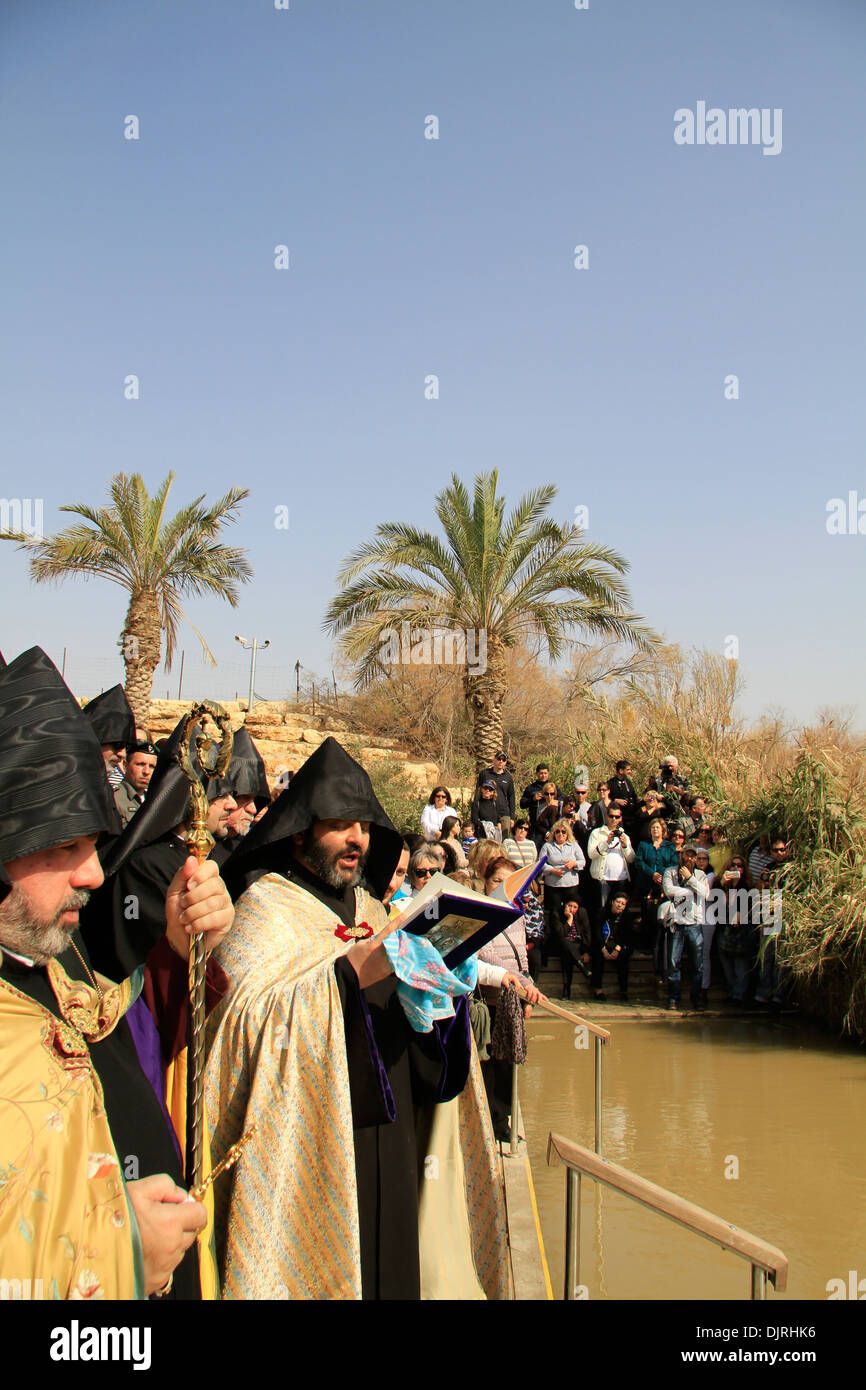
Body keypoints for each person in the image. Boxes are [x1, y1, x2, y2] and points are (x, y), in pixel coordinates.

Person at [209, 738, 511, 1301]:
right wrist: (347, 976)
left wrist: (443, 994)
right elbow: (241, 1027)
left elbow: (422, 1048)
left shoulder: (373, 912)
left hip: (392, 1138)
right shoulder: (264, 910)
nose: (358, 840)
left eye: (365, 827)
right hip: (315, 1144)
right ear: (300, 832)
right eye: (342, 826)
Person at [0, 647, 233, 1299]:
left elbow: (119, 1045)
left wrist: (180, 953)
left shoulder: (48, 953)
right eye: (62, 849)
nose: (94, 876)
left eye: (95, 846)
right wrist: (117, 1247)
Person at [662, 843, 708, 1011]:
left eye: (692, 856)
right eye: (686, 855)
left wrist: (690, 879)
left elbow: (705, 894)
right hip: (676, 922)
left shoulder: (701, 874)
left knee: (698, 964)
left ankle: (696, 998)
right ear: (681, 856)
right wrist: (690, 891)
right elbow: (668, 890)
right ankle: (673, 997)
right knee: (673, 962)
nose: (689, 858)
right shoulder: (670, 871)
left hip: (694, 922)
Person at [634, 817, 678, 981]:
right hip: (647, 884)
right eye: (653, 828)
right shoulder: (644, 845)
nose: (655, 830)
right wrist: (652, 874)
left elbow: (674, 863)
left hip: (664, 887)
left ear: (663, 830)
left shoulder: (669, 846)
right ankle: (648, 946)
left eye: (658, 828)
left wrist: (663, 875)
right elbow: (639, 862)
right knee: (648, 917)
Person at [715, 856, 756, 1005]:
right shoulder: (721, 884)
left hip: (742, 930)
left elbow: (752, 905)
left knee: (741, 966)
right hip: (724, 927)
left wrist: (741, 914)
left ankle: (739, 996)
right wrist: (722, 884)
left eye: (739, 866)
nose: (736, 869)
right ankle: (733, 993)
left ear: (744, 869)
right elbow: (714, 901)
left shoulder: (748, 886)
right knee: (727, 966)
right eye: (733, 865)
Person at [83, 684, 137, 790]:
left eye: (126, 748)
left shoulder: (105, 789)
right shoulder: (67, 785)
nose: (122, 754)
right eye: (117, 745)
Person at [588, 808, 636, 914]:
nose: (614, 819)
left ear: (620, 818)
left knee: (620, 911)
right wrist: (606, 842)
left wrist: (625, 846)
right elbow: (591, 854)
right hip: (603, 879)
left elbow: (631, 859)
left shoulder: (624, 836)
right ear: (607, 817)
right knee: (602, 910)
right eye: (611, 816)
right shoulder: (596, 833)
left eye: (617, 817)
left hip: (621, 879)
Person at [592, 890, 633, 1002]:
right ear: (612, 902)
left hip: (619, 945)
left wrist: (617, 950)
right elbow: (597, 933)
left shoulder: (626, 917)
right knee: (597, 956)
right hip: (603, 943)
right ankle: (598, 990)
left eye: (623, 904)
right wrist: (604, 950)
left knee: (624, 959)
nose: (619, 905)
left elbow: (626, 936)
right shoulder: (601, 913)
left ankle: (623, 991)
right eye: (618, 902)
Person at [114, 739, 158, 827]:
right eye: (140, 764)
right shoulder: (114, 798)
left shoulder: (154, 800)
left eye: (151, 766)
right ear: (125, 766)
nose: (146, 771)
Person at [557, 895, 592, 1001]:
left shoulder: (582, 913)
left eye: (574, 907)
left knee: (568, 955)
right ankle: (581, 965)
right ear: (565, 905)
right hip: (561, 944)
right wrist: (570, 918)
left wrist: (586, 951)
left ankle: (566, 990)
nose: (572, 909)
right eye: (569, 906)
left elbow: (586, 932)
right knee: (565, 944)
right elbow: (561, 933)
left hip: (576, 944)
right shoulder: (557, 913)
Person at [475, 752, 515, 839]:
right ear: (494, 759)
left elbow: (511, 797)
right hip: (488, 811)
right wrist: (476, 807)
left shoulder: (508, 777)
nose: (501, 761)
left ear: (505, 762)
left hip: (504, 812)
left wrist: (512, 817)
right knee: (488, 837)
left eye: (503, 760)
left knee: (504, 838)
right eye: (499, 759)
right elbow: (478, 791)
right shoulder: (485, 774)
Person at [520, 763, 558, 839]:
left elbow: (561, 800)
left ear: (548, 774)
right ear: (536, 774)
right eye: (541, 773)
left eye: (545, 773)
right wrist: (533, 799)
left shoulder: (553, 786)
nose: (543, 775)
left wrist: (554, 801)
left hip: (551, 823)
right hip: (536, 823)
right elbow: (522, 804)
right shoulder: (531, 788)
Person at [608, 760, 640, 837]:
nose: (630, 772)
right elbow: (606, 799)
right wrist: (616, 800)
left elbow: (633, 796)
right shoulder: (611, 783)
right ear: (621, 771)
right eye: (628, 769)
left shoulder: (628, 782)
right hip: (620, 818)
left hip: (631, 816)